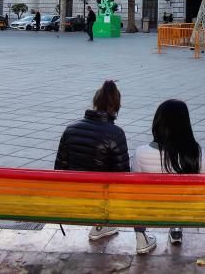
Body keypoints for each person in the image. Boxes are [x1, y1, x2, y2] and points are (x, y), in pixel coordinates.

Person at [54, 80, 156, 253]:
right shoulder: (115, 133)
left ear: (95, 103)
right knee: (134, 189)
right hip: (101, 201)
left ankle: (100, 227)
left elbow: (59, 169)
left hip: (73, 199)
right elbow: (122, 177)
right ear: (116, 107)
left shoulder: (70, 129)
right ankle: (141, 238)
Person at [133, 99, 205, 246]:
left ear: (157, 122)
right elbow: (204, 183)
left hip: (151, 209)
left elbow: (135, 186)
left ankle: (141, 239)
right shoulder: (196, 153)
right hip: (185, 209)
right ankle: (176, 228)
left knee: (135, 194)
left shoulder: (140, 152)